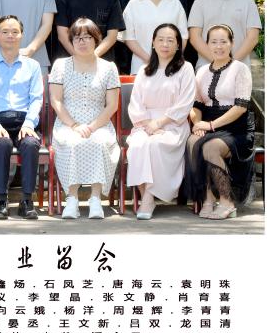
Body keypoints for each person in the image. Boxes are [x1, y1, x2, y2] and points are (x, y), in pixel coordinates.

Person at [48, 18, 121, 220]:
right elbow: (56, 101)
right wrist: (74, 125)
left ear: (96, 39)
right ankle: (71, 198)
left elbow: (112, 105)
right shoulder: (60, 66)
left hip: (100, 122)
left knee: (99, 142)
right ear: (71, 41)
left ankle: (95, 198)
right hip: (67, 122)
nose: (82, 42)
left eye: (88, 37)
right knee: (72, 142)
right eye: (77, 38)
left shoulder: (108, 67)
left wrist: (92, 126)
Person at [125, 23, 196, 220]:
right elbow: (136, 102)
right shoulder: (144, 70)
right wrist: (148, 124)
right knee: (138, 145)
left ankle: (147, 199)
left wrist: (159, 123)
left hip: (173, 125)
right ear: (153, 43)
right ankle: (147, 197)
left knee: (156, 145)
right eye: (161, 40)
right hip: (144, 125)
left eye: (170, 40)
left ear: (178, 45)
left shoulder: (185, 69)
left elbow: (185, 103)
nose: (165, 44)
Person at [0, 15, 44, 220]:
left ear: (22, 35)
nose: (10, 36)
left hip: (25, 122)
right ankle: (1, 200)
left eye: (15, 32)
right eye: (5, 32)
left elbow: (36, 99)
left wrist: (29, 123)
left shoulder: (32, 66)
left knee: (30, 144)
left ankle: (27, 201)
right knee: (2, 143)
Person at [184, 24, 255, 220]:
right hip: (208, 124)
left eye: (223, 41)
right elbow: (196, 105)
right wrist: (198, 124)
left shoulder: (240, 69)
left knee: (211, 147)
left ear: (232, 43)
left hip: (236, 128)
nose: (218, 46)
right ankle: (207, 199)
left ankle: (227, 202)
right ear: (207, 44)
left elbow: (240, 107)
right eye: (214, 42)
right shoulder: (201, 71)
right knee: (192, 142)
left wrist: (210, 126)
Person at [121, 0, 189, 75]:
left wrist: (172, 58)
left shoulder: (175, 3)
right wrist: (151, 60)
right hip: (141, 66)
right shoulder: (134, 4)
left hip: (171, 66)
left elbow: (183, 36)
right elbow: (128, 38)